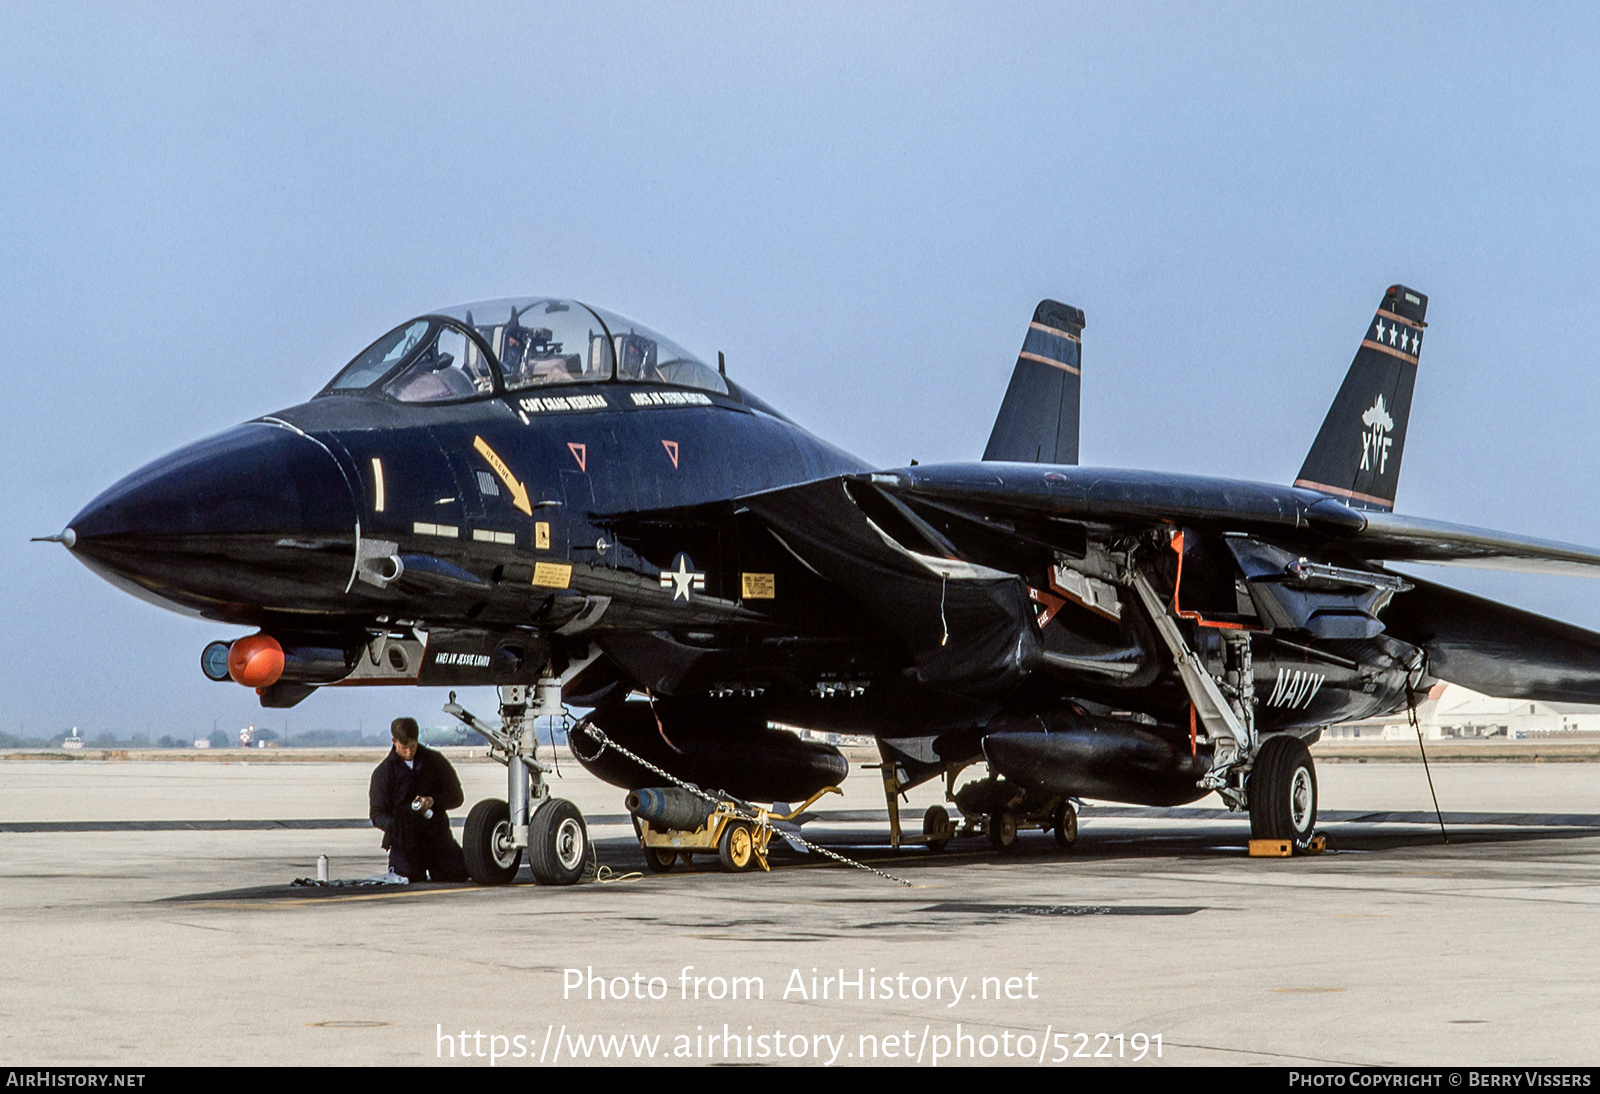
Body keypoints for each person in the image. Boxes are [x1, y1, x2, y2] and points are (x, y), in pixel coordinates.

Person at [369, 717, 468, 882]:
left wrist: (433, 801)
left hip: (437, 838)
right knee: (407, 878)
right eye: (404, 748)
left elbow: (457, 797)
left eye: (413, 747)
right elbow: (377, 814)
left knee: (458, 873)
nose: (409, 752)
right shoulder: (383, 773)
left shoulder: (435, 762)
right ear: (394, 741)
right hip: (405, 843)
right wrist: (399, 825)